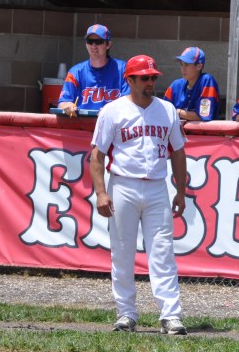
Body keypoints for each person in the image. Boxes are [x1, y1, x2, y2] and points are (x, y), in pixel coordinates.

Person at [90, 55, 188, 335]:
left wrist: (181, 191)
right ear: (130, 80)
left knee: (162, 252)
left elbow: (178, 152)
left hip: (157, 186)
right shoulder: (112, 111)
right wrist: (101, 192)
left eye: (153, 77)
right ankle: (126, 313)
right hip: (123, 185)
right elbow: (97, 155)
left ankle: (170, 315)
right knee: (122, 252)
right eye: (144, 78)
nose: (150, 82)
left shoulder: (167, 110)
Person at [58, 24, 129, 116]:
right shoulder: (75, 72)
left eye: (98, 42)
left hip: (112, 123)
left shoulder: (123, 69)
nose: (93, 46)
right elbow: (62, 103)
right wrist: (67, 105)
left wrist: (109, 110)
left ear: (108, 45)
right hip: (83, 123)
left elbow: (130, 101)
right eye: (90, 41)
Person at [164, 46, 219, 121]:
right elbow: (164, 112)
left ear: (199, 66)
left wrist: (177, 112)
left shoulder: (207, 81)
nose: (183, 68)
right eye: (181, 64)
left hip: (203, 129)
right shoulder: (175, 85)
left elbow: (203, 116)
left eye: (186, 64)